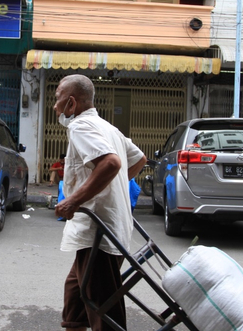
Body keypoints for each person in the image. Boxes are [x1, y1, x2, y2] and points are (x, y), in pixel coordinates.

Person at [53, 74, 147, 331]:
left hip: (100, 234)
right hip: (108, 230)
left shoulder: (80, 127)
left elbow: (112, 163)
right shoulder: (107, 127)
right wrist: (110, 185)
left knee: (103, 310)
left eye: (58, 99)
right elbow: (139, 159)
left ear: (71, 103)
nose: (55, 106)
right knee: (75, 295)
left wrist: (72, 201)